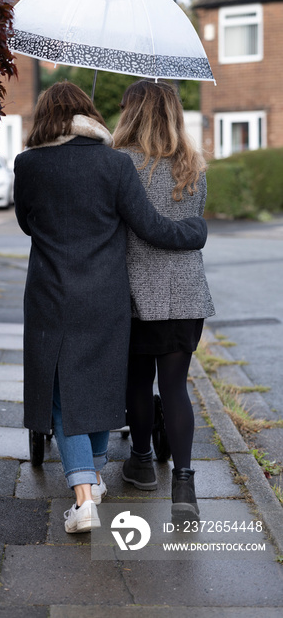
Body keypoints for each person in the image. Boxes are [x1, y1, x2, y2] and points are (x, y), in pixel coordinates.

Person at [14, 81, 208, 534]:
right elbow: (149, 225)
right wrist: (195, 232)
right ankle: (102, 472)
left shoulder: (28, 164)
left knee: (63, 391)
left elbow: (26, 223)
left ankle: (85, 494)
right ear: (88, 115)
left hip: (50, 295)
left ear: (45, 116)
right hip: (108, 295)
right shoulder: (118, 164)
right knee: (103, 383)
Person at [112, 79, 215, 522]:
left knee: (137, 382)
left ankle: (140, 462)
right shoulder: (194, 165)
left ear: (132, 113)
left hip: (137, 292)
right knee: (175, 387)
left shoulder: (120, 164)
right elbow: (192, 223)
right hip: (188, 293)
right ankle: (185, 485)